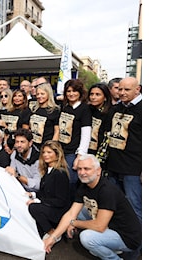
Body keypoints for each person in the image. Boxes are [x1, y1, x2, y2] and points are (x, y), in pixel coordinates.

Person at [43, 154, 142, 260]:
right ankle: (107, 244)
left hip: (128, 237)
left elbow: (100, 226)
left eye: (87, 169)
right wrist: (52, 238)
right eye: (79, 169)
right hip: (110, 224)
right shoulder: (84, 185)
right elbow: (71, 213)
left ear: (98, 171)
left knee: (87, 238)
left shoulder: (107, 190)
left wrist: (74, 223)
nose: (82, 173)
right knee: (79, 213)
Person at [105, 77, 142, 223]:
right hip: (114, 166)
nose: (122, 92)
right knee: (115, 204)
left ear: (137, 89)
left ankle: (138, 243)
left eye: (127, 89)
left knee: (134, 206)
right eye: (120, 89)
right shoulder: (117, 108)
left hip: (133, 168)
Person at [27, 140, 71, 239]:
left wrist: (39, 201)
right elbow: (44, 193)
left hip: (58, 211)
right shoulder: (48, 171)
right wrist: (33, 195)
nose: (45, 155)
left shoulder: (60, 173)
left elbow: (61, 201)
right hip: (49, 207)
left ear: (57, 154)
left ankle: (53, 233)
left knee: (33, 207)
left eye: (49, 152)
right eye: (44, 152)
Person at [58, 79, 92, 202]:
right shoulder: (65, 107)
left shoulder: (84, 109)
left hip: (73, 153)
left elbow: (86, 134)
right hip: (61, 151)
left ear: (80, 92)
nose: (71, 94)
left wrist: (79, 156)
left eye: (74, 91)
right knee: (61, 183)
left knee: (71, 183)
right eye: (69, 91)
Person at [5, 128, 40, 192]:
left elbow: (37, 185)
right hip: (20, 190)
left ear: (30, 143)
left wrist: (18, 176)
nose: (19, 145)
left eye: (22, 142)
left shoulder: (38, 159)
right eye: (17, 142)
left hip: (36, 193)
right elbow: (11, 174)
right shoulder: (15, 154)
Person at [87, 83, 113, 168]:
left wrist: (98, 159)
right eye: (91, 94)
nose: (93, 97)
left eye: (97, 94)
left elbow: (107, 139)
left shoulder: (110, 113)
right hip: (85, 152)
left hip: (100, 157)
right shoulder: (87, 110)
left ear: (105, 97)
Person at [0, 89, 31, 153]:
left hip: (17, 145)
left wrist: (15, 148)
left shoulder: (26, 111)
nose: (17, 98)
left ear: (24, 99)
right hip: (6, 143)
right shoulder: (10, 110)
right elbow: (6, 129)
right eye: (15, 96)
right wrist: (5, 144)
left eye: (19, 96)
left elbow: (24, 132)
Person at [29, 83, 61, 150]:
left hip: (47, 147)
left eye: (42, 94)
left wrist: (52, 147)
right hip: (33, 147)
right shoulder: (34, 109)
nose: (39, 96)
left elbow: (57, 131)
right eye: (38, 94)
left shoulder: (54, 110)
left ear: (48, 94)